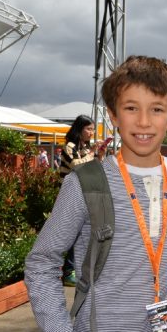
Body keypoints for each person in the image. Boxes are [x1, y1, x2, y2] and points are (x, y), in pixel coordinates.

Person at [25, 56, 167, 332]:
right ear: (113, 115)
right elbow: (42, 262)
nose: (143, 121)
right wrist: (60, 329)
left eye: (156, 109)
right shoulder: (85, 183)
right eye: (131, 108)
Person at [58, 114, 100, 287]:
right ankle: (68, 272)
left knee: (83, 232)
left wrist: (98, 154)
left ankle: (74, 270)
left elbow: (91, 168)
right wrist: (91, 154)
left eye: (92, 129)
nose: (91, 132)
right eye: (88, 129)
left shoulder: (84, 147)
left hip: (82, 194)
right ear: (79, 129)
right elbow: (77, 166)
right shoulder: (70, 146)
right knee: (74, 234)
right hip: (70, 195)